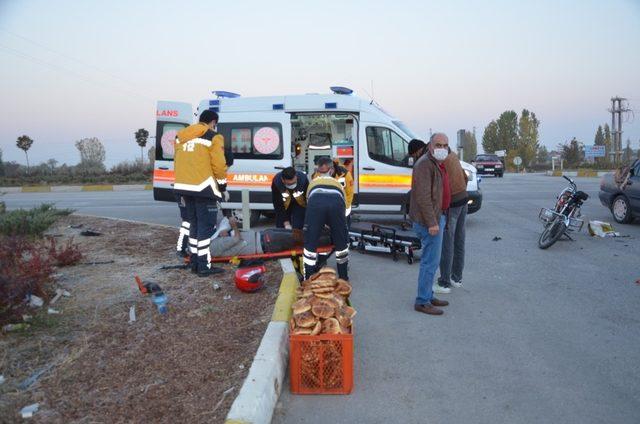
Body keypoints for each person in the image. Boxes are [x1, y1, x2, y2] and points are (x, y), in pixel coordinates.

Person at [173, 109, 228, 276]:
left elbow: (177, 161)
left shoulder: (181, 136)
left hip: (184, 187)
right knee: (205, 228)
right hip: (204, 188)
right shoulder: (213, 137)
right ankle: (204, 266)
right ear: (213, 122)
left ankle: (195, 262)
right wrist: (222, 185)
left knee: (194, 226)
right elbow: (219, 165)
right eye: (215, 124)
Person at [409, 134, 451, 315]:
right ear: (430, 145)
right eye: (438, 144)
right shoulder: (425, 164)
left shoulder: (434, 162)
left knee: (432, 262)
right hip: (429, 222)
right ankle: (422, 301)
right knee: (429, 262)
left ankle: (428, 294)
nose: (442, 148)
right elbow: (423, 197)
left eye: (445, 145)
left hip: (436, 217)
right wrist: (432, 222)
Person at [303, 157, 349, 280]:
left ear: (317, 170)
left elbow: (309, 202)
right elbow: (344, 205)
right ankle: (344, 277)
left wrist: (321, 222)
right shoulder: (338, 183)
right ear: (331, 170)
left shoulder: (313, 182)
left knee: (310, 243)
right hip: (336, 204)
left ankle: (308, 278)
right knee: (341, 243)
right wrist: (334, 223)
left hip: (315, 204)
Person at [435, 149, 469, 293]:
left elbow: (438, 185)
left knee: (447, 243)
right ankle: (457, 278)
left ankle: (444, 282)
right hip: (463, 199)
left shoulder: (439, 160)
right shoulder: (453, 155)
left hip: (452, 203)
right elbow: (465, 177)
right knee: (459, 240)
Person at [174, 193, 190, 258]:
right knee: (187, 222)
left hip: (186, 192)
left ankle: (182, 249)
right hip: (184, 193)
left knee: (187, 222)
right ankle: (181, 249)